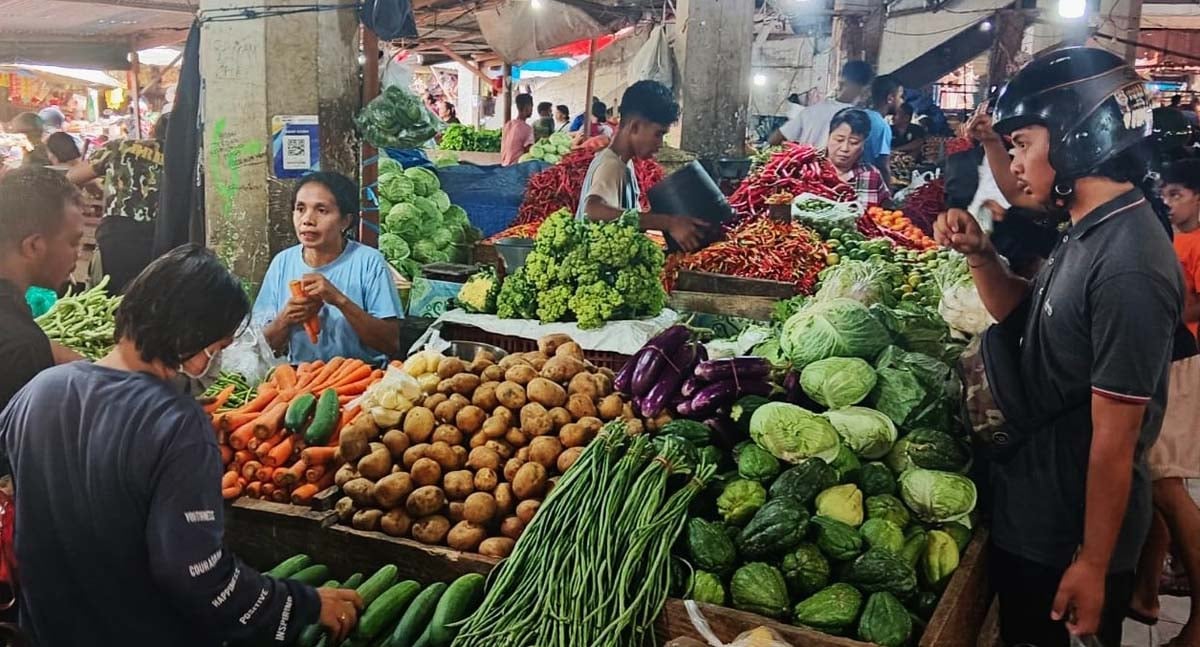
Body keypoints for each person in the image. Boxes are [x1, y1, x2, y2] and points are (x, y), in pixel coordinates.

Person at [934, 47, 1183, 647]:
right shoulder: (1090, 226)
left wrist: (1093, 565)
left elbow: (1116, 439)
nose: (1011, 161)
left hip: (1065, 535)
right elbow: (1028, 317)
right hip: (1036, 513)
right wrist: (981, 256)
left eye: (1021, 143)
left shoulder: (1130, 264)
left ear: (1075, 133)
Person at [0, 244, 364, 645]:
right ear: (191, 340)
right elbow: (194, 573)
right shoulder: (176, 423)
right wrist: (300, 605)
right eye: (220, 347)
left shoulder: (38, 391)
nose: (218, 361)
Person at [1126, 158, 1200, 647]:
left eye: (1178, 195)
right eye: (1166, 194)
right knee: (1154, 484)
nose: (1169, 203)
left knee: (1169, 488)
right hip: (1161, 361)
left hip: (1179, 363)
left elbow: (1187, 303)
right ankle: (1146, 593)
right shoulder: (1166, 234)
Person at [253, 172, 402, 364]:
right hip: (301, 380)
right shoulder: (282, 263)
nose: (307, 220)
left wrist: (339, 300)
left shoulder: (370, 262)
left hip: (362, 380)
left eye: (321, 210)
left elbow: (390, 343)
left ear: (345, 221)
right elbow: (259, 349)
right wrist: (285, 319)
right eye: (300, 209)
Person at [578, 80, 714, 251]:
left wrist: (662, 218)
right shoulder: (611, 166)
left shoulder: (624, 163)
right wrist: (668, 222)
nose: (660, 143)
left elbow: (623, 218)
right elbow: (593, 211)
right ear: (634, 126)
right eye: (658, 134)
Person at [0, 167, 87, 412]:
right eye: (73, 242)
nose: (77, 254)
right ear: (34, 246)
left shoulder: (19, 329)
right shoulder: (21, 348)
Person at [67, 112, 169, 294]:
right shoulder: (184, 157)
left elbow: (72, 177)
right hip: (161, 237)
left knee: (110, 299)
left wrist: (98, 189)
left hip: (117, 234)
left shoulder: (121, 146)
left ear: (152, 130)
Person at [768, 60, 873, 148]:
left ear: (841, 81)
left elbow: (774, 139)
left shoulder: (811, 111)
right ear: (865, 88)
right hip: (836, 173)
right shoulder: (861, 119)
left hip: (807, 171)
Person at [825, 109, 889, 209]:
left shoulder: (871, 175)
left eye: (854, 142)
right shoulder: (808, 169)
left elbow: (886, 212)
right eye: (839, 140)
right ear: (828, 137)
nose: (844, 148)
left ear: (863, 144)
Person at [865, 74, 902, 184]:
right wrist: (888, 194)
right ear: (890, 98)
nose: (902, 101)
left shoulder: (860, 115)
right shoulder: (882, 126)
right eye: (900, 96)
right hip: (866, 182)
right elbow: (882, 165)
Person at [500, 93, 534, 166]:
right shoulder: (527, 128)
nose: (532, 110)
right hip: (516, 168)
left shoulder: (508, 124)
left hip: (504, 165)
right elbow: (530, 151)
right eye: (532, 107)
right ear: (527, 107)